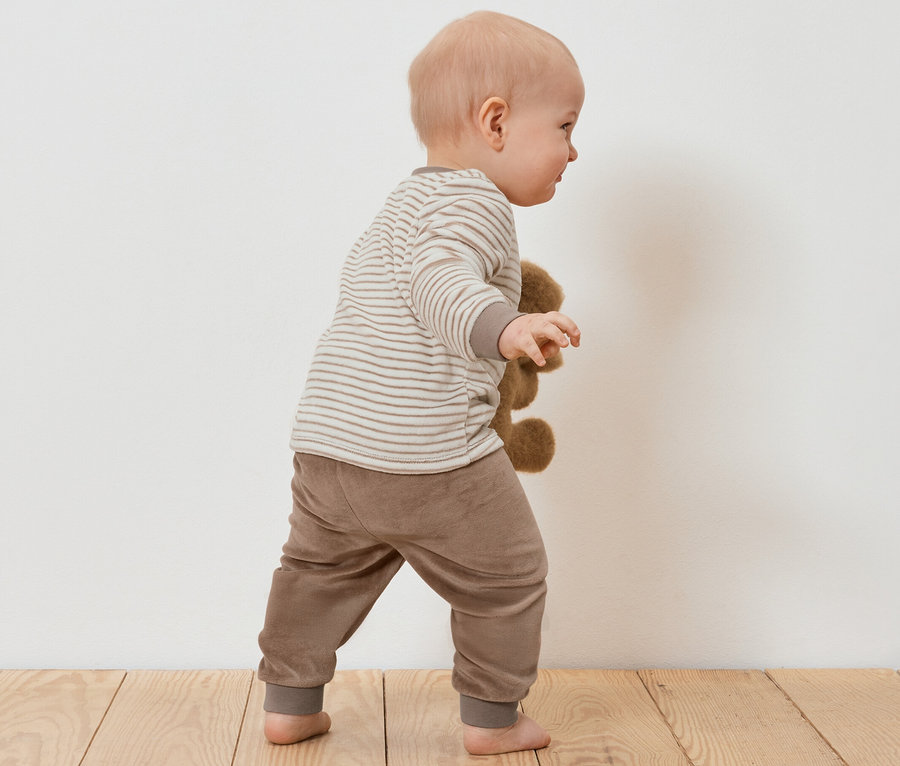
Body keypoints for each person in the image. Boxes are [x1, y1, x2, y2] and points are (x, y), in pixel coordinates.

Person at [257, 10, 584, 755]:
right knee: (507, 576)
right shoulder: (475, 202)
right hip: (428, 457)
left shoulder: (403, 203)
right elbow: (441, 280)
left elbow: (408, 283)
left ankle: (290, 703)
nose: (573, 150)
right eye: (564, 126)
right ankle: (493, 721)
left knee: (316, 572)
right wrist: (504, 328)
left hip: (330, 447)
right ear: (496, 121)